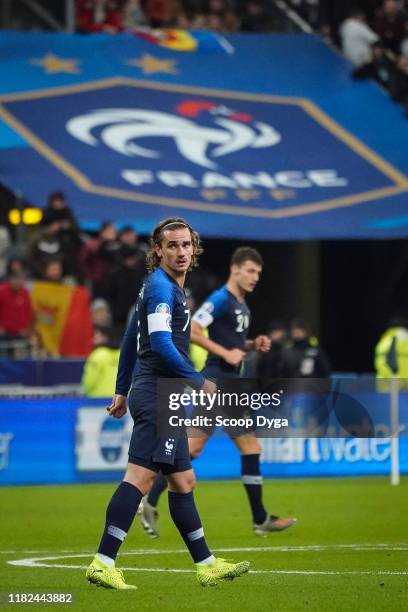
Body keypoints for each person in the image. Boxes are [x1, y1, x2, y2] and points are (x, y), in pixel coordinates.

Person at [86, 217, 250, 590]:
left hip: (161, 393)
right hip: (161, 394)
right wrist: (197, 381)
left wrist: (121, 389)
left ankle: (206, 563)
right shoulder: (162, 289)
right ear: (157, 250)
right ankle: (102, 560)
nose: (180, 252)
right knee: (140, 477)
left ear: (194, 249)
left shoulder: (159, 288)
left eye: (185, 245)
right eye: (171, 245)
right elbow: (158, 345)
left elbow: (130, 339)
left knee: (183, 479)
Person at [141, 247, 296, 538]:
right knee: (250, 448)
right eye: (250, 271)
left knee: (191, 449)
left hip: (219, 383)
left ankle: (148, 499)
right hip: (221, 382)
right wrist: (227, 352)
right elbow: (194, 330)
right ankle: (260, 519)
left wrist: (251, 345)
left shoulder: (242, 306)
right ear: (234, 269)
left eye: (258, 273)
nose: (254, 278)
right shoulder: (220, 299)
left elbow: (232, 343)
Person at [82, 326, 120, 397]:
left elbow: (89, 382)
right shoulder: (122, 354)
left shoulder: (97, 355)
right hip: (120, 400)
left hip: (98, 400)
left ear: (105, 337)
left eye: (96, 335)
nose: (93, 338)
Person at [375, 316, 408, 389]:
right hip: (395, 388)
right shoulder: (390, 341)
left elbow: (381, 364)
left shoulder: (384, 341)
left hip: (387, 389)